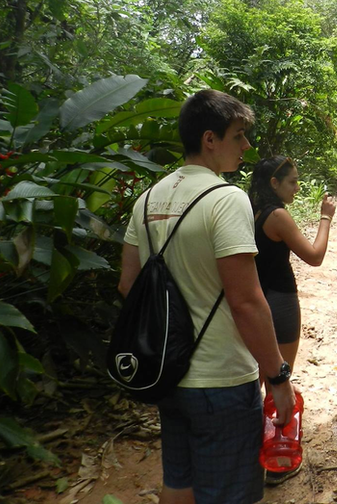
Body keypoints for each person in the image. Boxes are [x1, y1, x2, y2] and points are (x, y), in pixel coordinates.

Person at [118, 89, 295, 504]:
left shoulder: (147, 199)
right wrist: (278, 377)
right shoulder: (225, 198)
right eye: (238, 136)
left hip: (166, 372)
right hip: (220, 379)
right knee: (228, 493)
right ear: (209, 140)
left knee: (179, 482)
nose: (246, 146)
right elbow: (246, 300)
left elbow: (128, 284)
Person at [247, 156, 336, 484]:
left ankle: (246, 455)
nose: (297, 187)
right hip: (280, 303)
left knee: (253, 381)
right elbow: (314, 256)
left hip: (253, 302)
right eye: (292, 182)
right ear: (274, 183)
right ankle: (276, 458)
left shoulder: (249, 211)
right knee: (278, 383)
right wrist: (325, 218)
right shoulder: (278, 216)